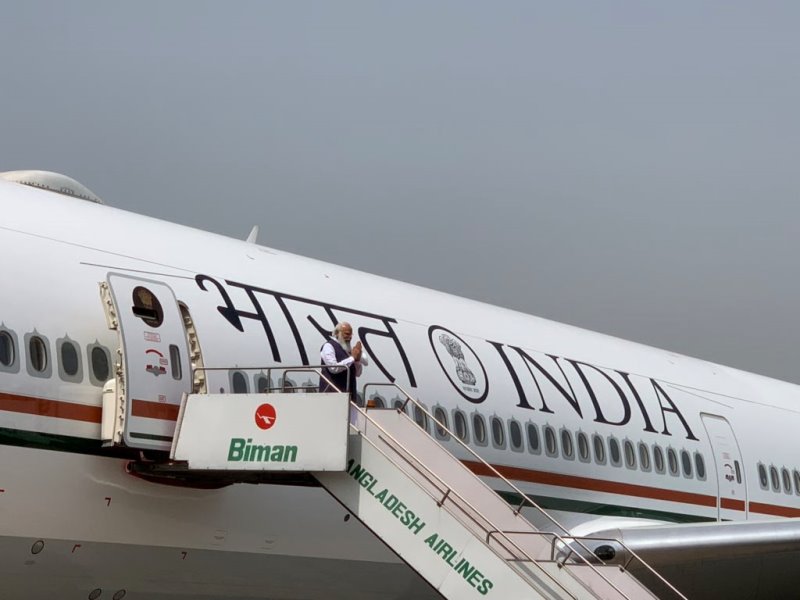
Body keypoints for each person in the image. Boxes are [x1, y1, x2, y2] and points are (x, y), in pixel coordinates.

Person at [319, 322, 368, 402]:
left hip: (348, 397)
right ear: (337, 333)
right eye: (347, 334)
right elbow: (333, 368)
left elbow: (357, 374)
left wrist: (357, 360)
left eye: (351, 335)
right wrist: (352, 358)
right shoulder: (329, 346)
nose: (350, 337)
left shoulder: (348, 350)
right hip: (331, 396)